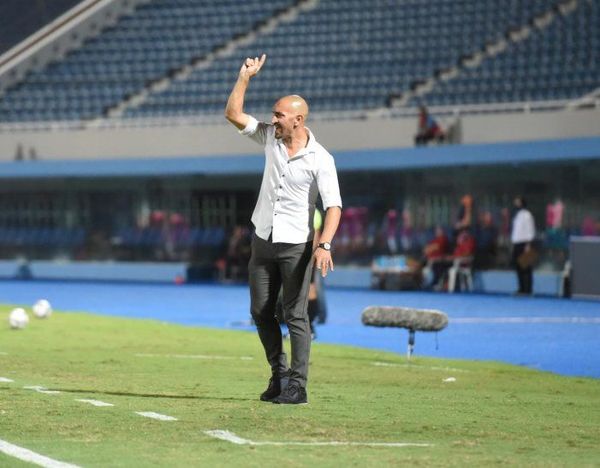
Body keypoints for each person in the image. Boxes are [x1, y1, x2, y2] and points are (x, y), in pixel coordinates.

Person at [225, 54, 342, 405]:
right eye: (273, 114)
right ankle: (279, 375)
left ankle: (298, 386)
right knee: (260, 310)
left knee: (295, 314)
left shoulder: (321, 158)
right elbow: (233, 114)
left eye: (279, 115)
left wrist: (325, 246)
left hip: (296, 245)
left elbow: (333, 206)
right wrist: (244, 77)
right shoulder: (269, 138)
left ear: (298, 119)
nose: (273, 119)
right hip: (263, 240)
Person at [511, 196, 536, 295]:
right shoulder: (517, 215)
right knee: (518, 267)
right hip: (517, 243)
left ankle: (528, 289)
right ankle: (521, 288)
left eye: (517, 202)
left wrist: (528, 244)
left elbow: (530, 230)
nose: (516, 204)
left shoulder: (527, 215)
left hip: (525, 244)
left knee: (526, 267)